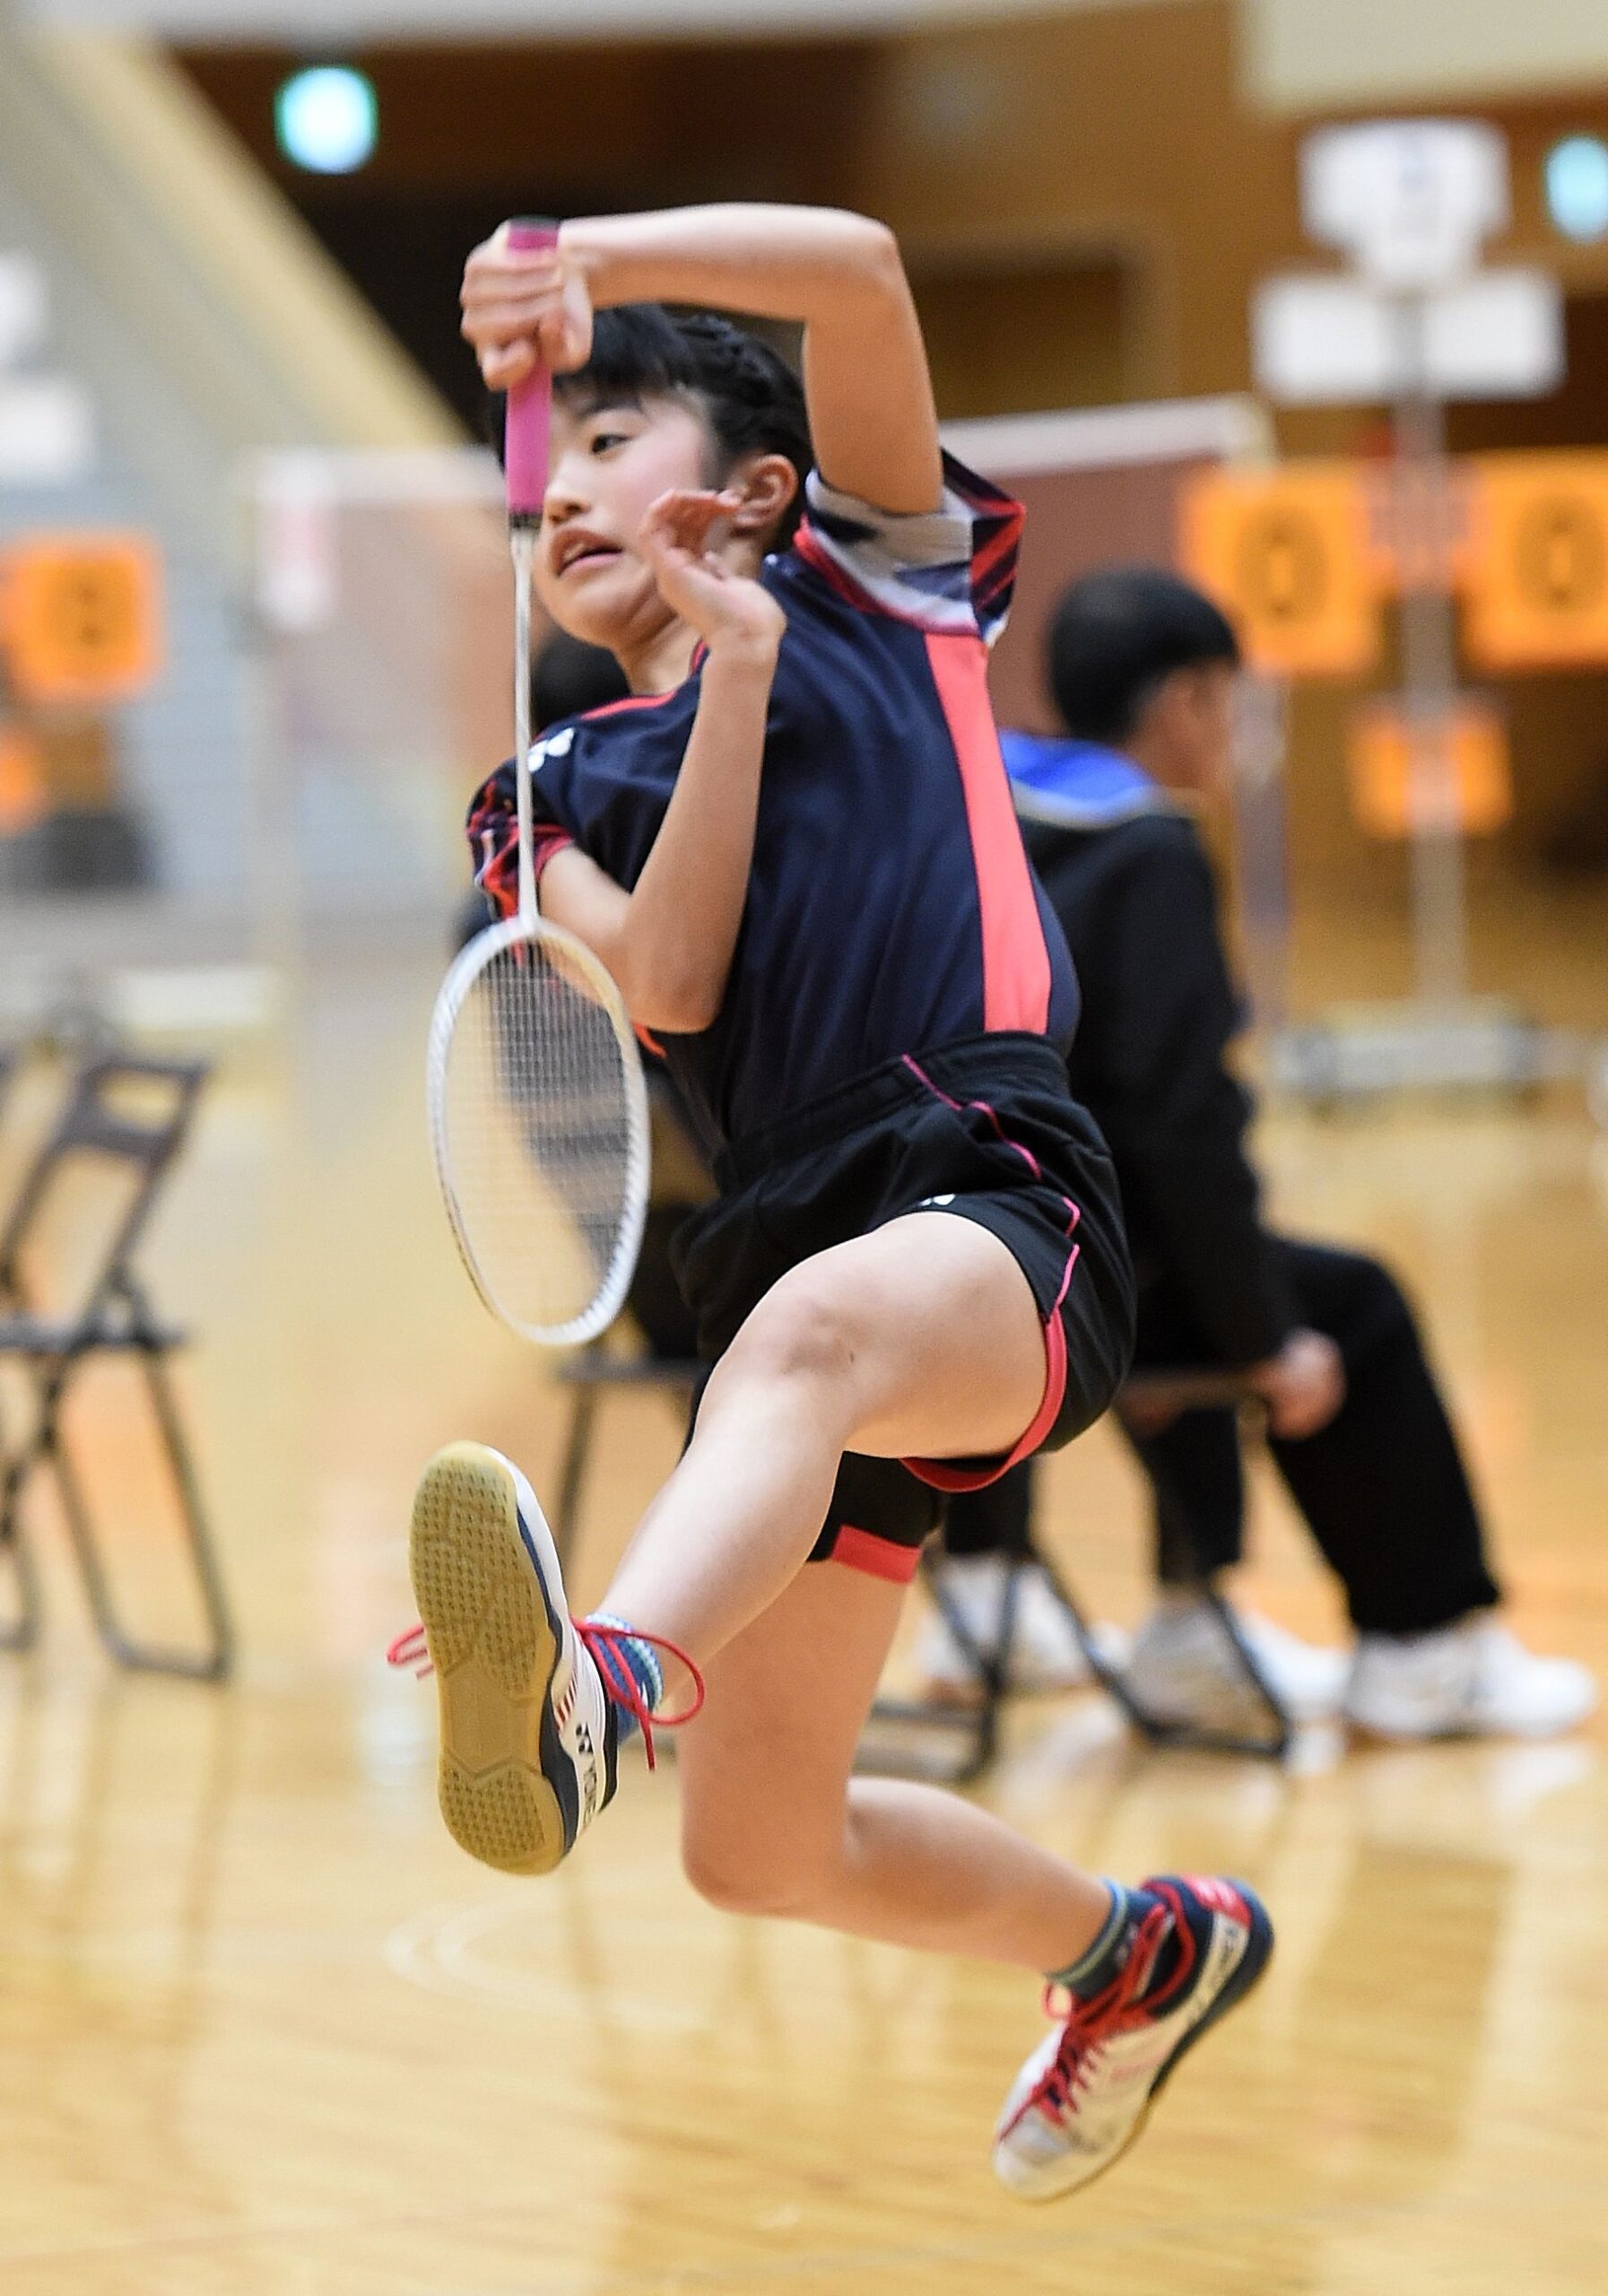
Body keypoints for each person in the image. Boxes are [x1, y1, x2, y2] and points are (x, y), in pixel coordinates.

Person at [399, 205, 1274, 2203]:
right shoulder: (536, 795)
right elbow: (678, 983)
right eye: (568, 451)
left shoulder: (887, 588)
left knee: (799, 1349)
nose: (581, 474)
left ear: (767, 488)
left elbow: (865, 271)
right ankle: (1134, 1948)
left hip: (989, 1186)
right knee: (754, 1845)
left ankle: (597, 1685)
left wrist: (576, 257)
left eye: (624, 432)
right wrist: (728, 674)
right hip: (789, 1266)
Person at [921, 567, 1595, 1742]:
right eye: (1229, 701)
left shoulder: (984, 825)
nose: (1234, 732)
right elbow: (1180, 1127)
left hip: (969, 1249)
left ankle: (1182, 1622)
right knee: (1346, 1307)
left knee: (1197, 1260)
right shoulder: (1152, 852)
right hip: (1091, 1274)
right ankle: (1423, 1652)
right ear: (1182, 699)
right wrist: (1265, 1340)